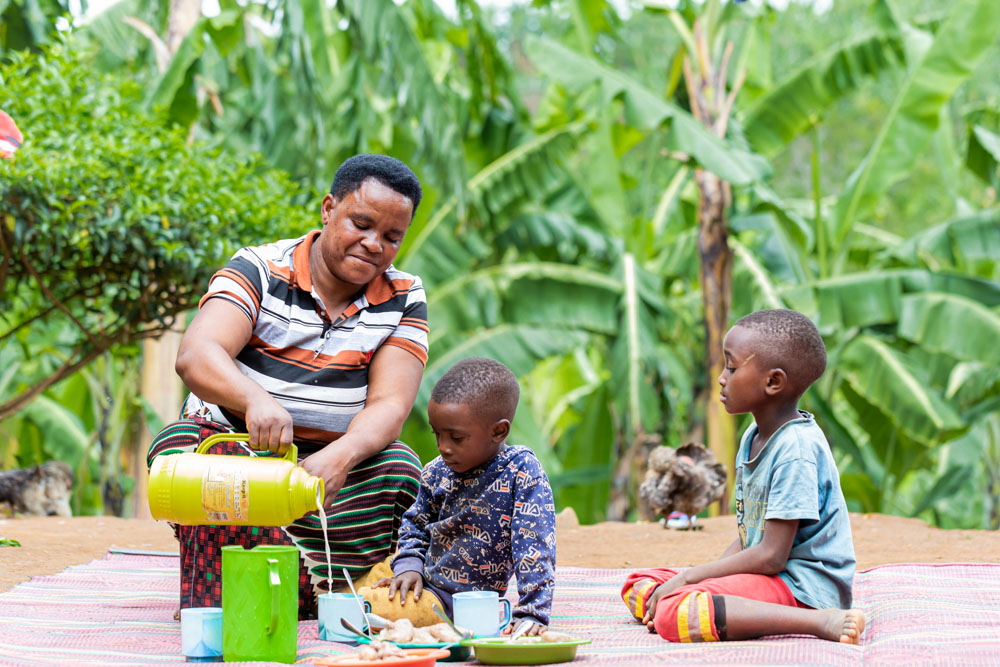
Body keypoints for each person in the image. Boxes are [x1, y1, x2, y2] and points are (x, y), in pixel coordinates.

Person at [147, 154, 429, 618]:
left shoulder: (404, 296)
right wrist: (254, 400)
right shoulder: (259, 267)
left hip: (330, 473)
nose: (374, 244)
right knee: (185, 453)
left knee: (400, 469)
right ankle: (283, 588)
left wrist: (342, 455)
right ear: (327, 208)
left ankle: (287, 582)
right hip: (241, 454)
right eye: (361, 224)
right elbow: (196, 354)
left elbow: (391, 404)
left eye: (392, 237)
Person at [621, 309, 864, 644]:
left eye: (732, 368)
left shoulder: (795, 449)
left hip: (802, 587)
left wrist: (693, 578)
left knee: (672, 610)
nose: (722, 378)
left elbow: (771, 555)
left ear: (773, 382)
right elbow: (750, 535)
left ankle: (820, 622)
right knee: (641, 583)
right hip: (770, 577)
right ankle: (704, 605)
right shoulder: (754, 435)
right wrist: (697, 583)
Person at [368, 357, 557, 637]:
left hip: (448, 603)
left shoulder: (521, 472)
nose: (443, 448)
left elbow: (534, 546)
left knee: (362, 607)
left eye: (456, 438)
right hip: (416, 578)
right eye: (437, 435)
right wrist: (409, 566)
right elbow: (414, 525)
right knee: (351, 586)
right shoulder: (435, 472)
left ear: (498, 431)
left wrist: (531, 612)